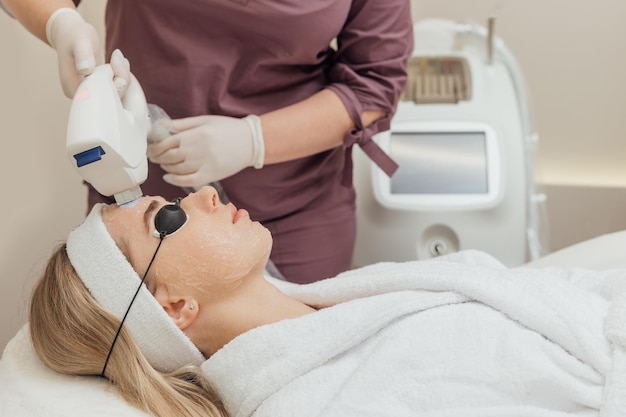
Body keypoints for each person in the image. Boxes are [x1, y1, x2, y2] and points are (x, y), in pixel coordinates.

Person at [25, 185, 626, 417]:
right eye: (171, 216)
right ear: (175, 306)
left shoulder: (339, 301)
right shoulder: (318, 401)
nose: (205, 192)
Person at [1, 0, 414, 283]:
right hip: (144, 200)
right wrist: (60, 23)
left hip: (295, 204)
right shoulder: (140, 224)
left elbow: (373, 83)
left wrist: (255, 140)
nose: (209, 203)